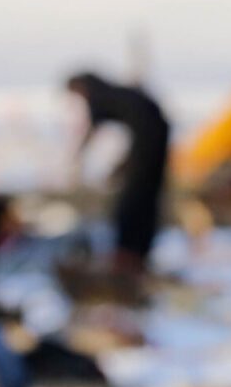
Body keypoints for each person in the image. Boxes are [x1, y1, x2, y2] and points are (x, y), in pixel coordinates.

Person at [66, 72, 171, 274]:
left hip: (150, 138)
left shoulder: (97, 96)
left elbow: (92, 129)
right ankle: (136, 253)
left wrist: (77, 155)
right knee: (144, 195)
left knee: (135, 197)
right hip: (156, 134)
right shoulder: (115, 93)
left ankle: (129, 253)